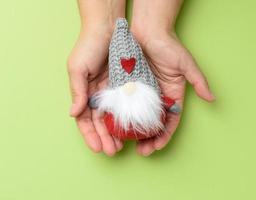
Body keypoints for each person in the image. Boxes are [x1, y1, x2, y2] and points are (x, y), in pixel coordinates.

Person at [67, 0, 215, 156]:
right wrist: (101, 26)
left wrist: (155, 26)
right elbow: (167, 103)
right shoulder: (147, 100)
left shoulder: (127, 99)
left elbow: (97, 100)